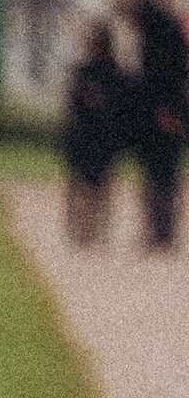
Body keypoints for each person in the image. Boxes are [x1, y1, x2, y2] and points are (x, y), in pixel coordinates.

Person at [61, 20, 130, 245]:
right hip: (89, 135)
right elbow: (74, 103)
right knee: (93, 185)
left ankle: (90, 228)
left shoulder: (108, 73)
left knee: (94, 184)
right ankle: (89, 227)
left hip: (100, 136)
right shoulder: (92, 72)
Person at [129, 0, 187, 252]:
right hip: (162, 114)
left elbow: (164, 79)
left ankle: (161, 232)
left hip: (162, 114)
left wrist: (167, 110)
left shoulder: (159, 38)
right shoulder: (164, 34)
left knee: (160, 176)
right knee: (163, 176)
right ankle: (161, 231)